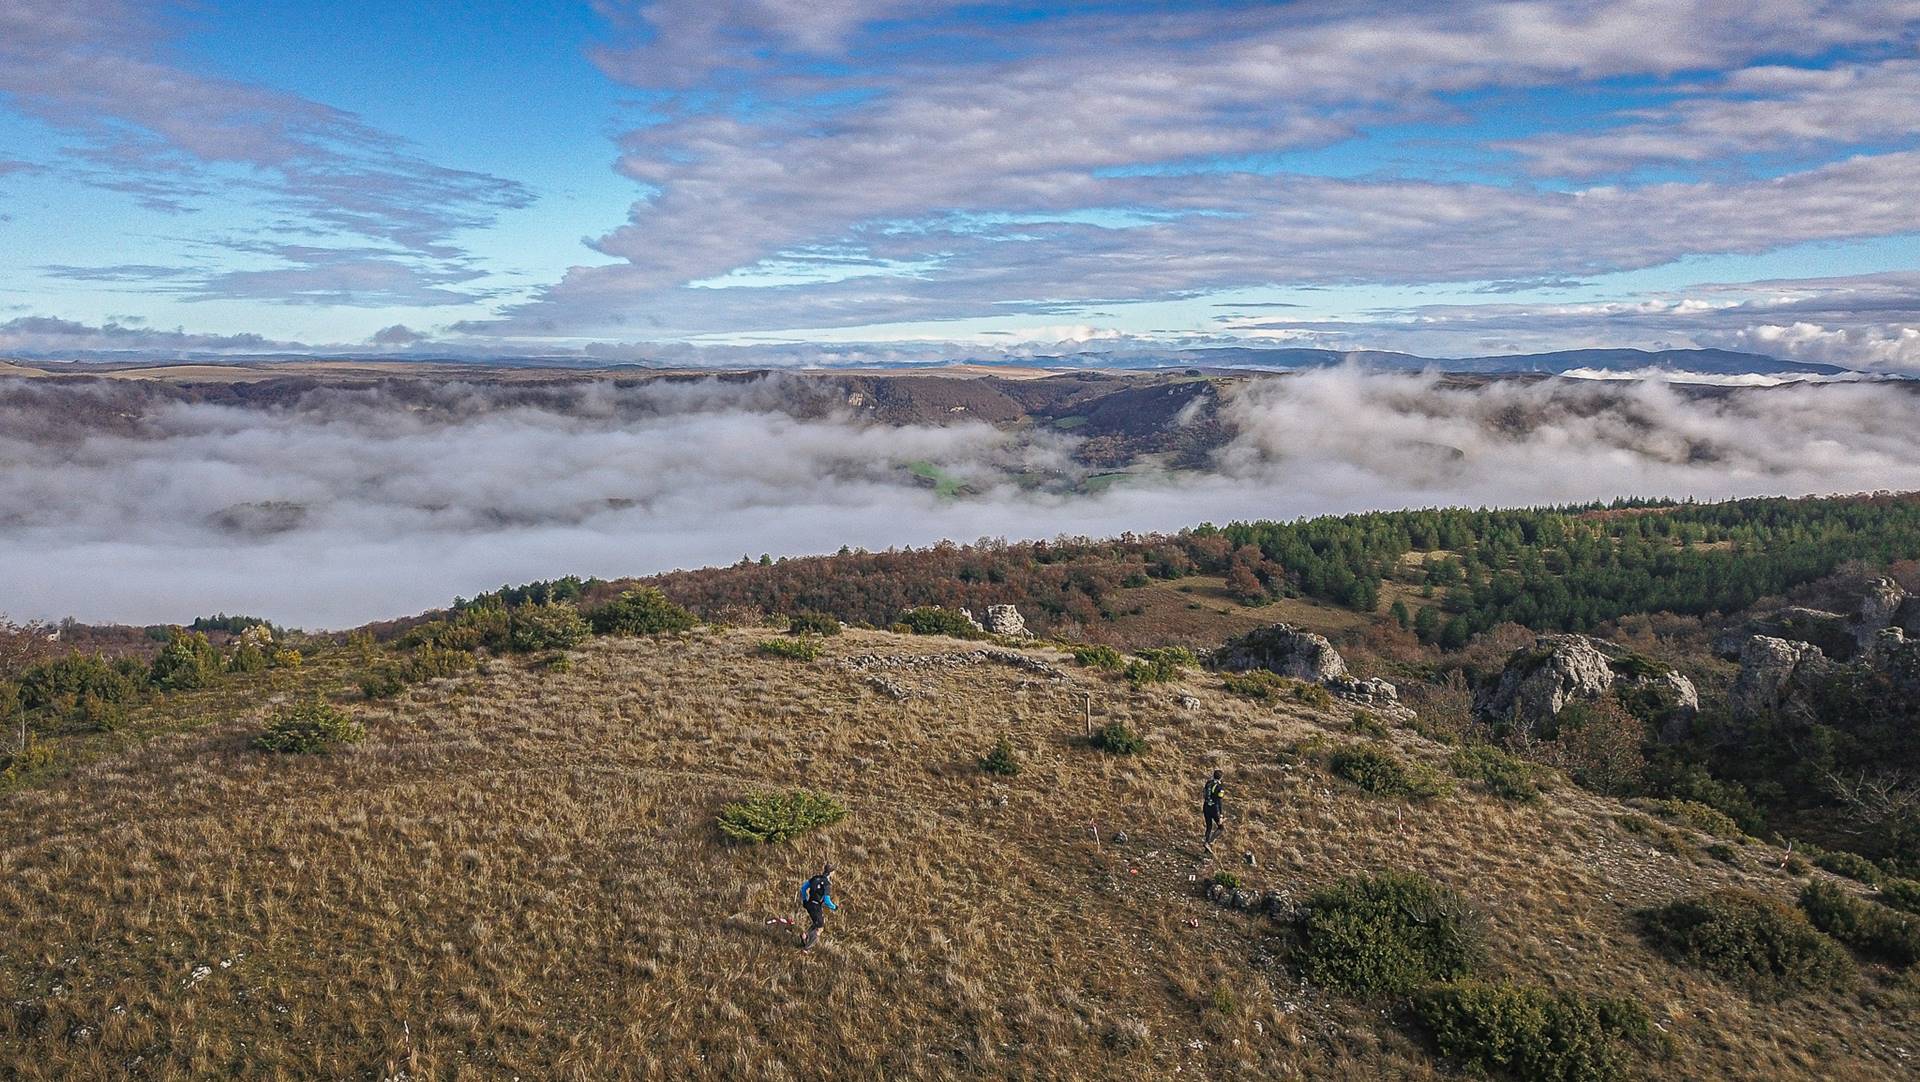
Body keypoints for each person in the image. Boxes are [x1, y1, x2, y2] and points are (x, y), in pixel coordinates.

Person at [798, 863, 838, 951]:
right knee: (820, 928)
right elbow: (827, 900)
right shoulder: (827, 884)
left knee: (818, 922)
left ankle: (805, 935)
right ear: (831, 872)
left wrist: (805, 899)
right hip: (816, 906)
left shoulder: (815, 878)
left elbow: (803, 888)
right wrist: (834, 907)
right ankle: (807, 949)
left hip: (810, 903)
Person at [1202, 769, 1226, 851]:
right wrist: (1220, 815)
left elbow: (1205, 794)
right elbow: (1219, 801)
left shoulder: (1208, 783)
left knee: (1209, 827)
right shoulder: (1220, 787)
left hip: (1206, 807)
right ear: (1221, 777)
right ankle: (1209, 843)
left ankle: (1206, 847)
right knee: (1221, 828)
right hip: (1214, 809)